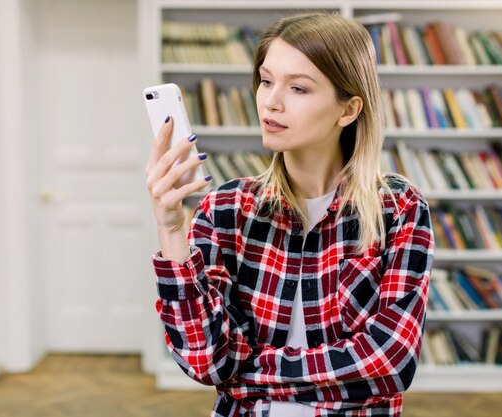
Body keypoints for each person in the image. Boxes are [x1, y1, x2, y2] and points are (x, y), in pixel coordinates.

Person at [145, 12, 434, 417]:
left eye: (298, 88)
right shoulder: (226, 209)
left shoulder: (398, 209)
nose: (271, 101)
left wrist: (246, 371)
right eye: (266, 80)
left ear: (348, 110)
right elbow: (206, 361)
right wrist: (171, 228)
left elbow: (389, 363)